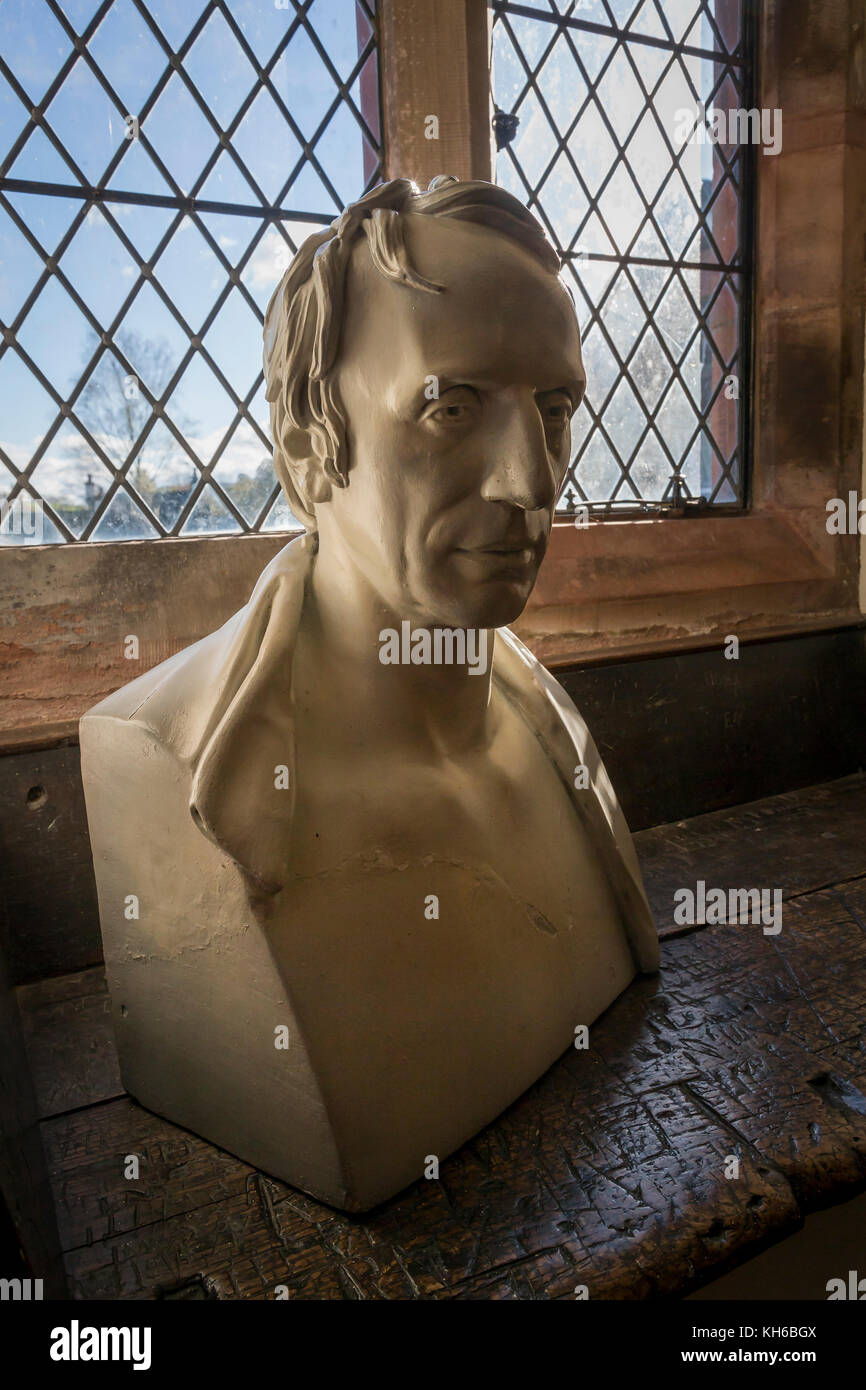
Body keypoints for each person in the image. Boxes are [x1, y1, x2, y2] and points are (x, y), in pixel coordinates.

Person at [80, 176, 659, 1211]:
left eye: (555, 409)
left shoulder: (548, 729)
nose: (531, 482)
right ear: (309, 454)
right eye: (450, 407)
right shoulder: (162, 759)